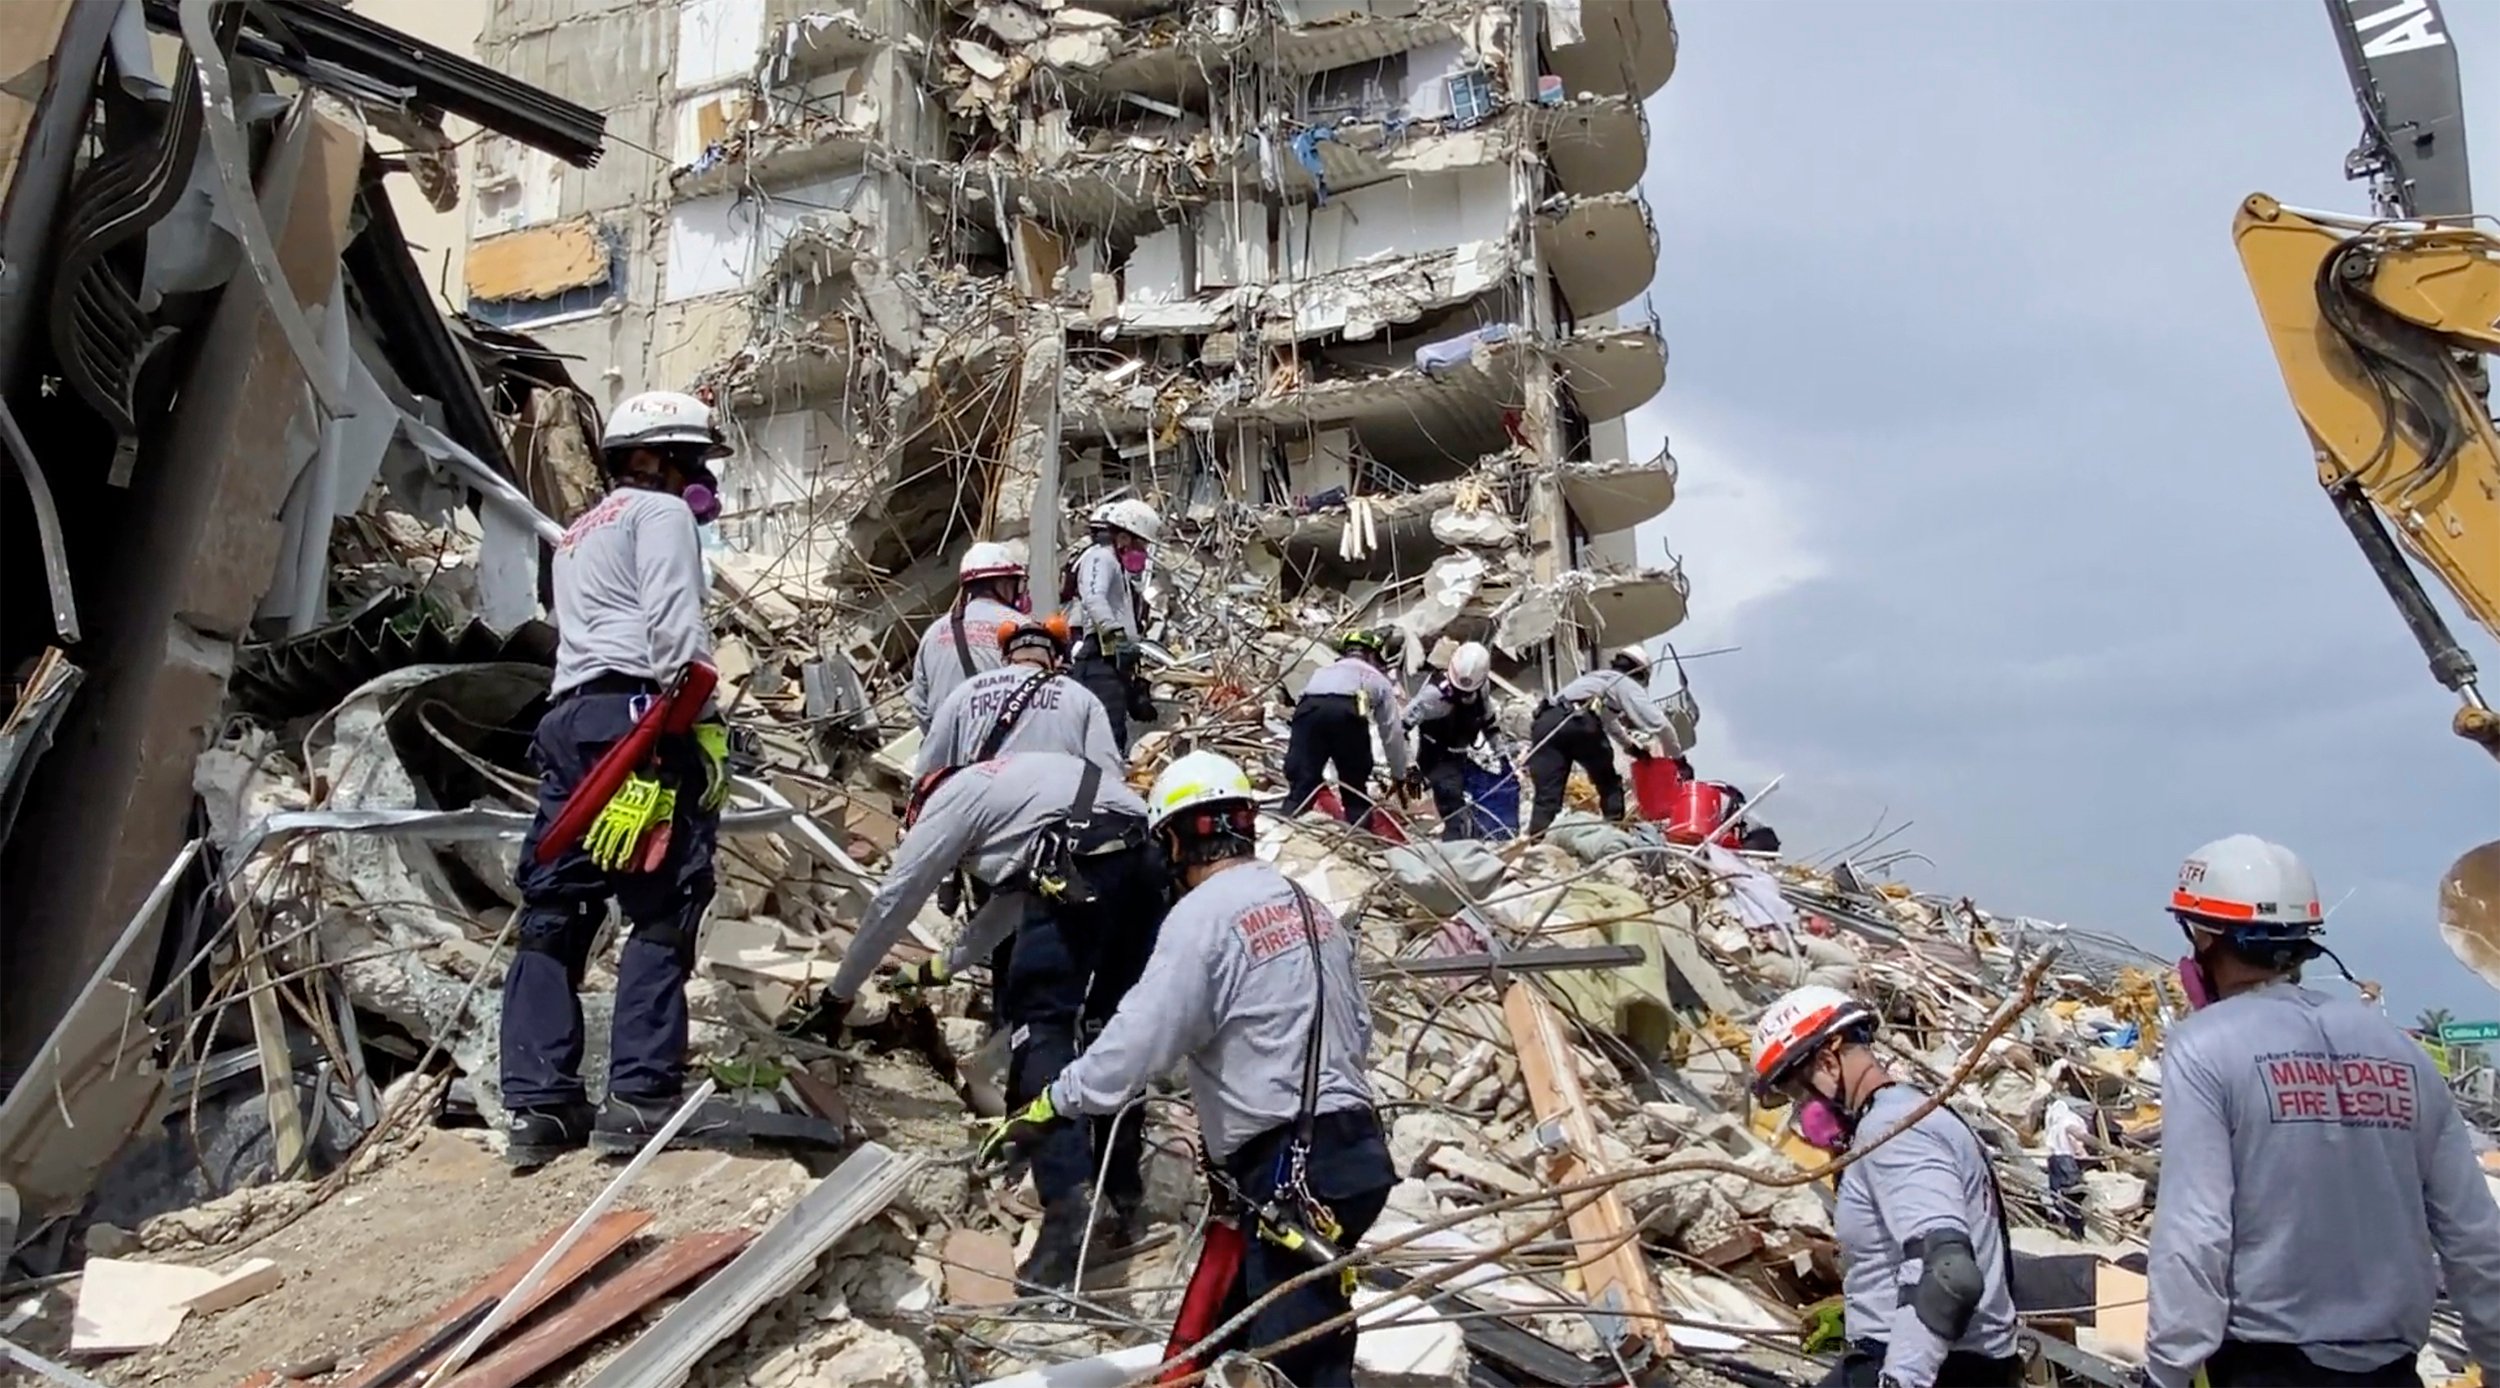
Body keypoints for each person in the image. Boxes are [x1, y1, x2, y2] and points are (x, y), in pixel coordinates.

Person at [981, 752, 1393, 1388]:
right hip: (1355, 1155)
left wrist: (1054, 1104)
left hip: (1290, 1171)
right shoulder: (1312, 911)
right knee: (1230, 1336)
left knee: (1294, 1369)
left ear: (1173, 839)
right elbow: (1357, 1030)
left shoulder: (1202, 917)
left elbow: (1137, 1043)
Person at [2143, 835, 2500, 1388]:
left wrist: (2166, 1372)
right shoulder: (2398, 1050)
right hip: (2392, 1370)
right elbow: (2474, 1234)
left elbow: (2196, 1230)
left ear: (2205, 935)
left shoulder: (2204, 1047)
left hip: (2266, 1367)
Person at [811, 752, 1166, 1290]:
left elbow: (893, 901)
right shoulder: (1022, 793)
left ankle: (1067, 1206)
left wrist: (838, 994)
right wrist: (930, 972)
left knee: (1039, 1021)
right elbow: (1004, 914)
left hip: (1083, 858)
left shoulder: (951, 802)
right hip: (1141, 857)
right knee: (1112, 1023)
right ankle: (1121, 1184)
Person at [502, 390, 738, 1169]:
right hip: (639, 711)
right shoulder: (660, 513)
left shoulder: (576, 532)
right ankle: (639, 1097)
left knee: (554, 907)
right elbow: (675, 621)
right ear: (658, 457)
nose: (702, 478)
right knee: (664, 900)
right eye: (696, 459)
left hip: (569, 718)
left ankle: (539, 1105)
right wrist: (690, 717)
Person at [1751, 985, 2021, 1388]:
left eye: (1796, 1093)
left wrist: (1901, 1379)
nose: (1799, 1114)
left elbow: (1949, 1274)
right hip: (1952, 1360)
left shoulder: (1893, 1134)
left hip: (1938, 1369)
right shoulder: (1910, 1111)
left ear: (1827, 1062)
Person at [918, 615, 1124, 780]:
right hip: (1052, 817)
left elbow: (928, 769)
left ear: (1007, 657)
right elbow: (1107, 774)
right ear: (1057, 658)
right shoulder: (1081, 698)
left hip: (979, 815)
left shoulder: (964, 693)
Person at [1526, 645, 1676, 835]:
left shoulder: (1595, 679)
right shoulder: (1625, 682)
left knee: (1547, 797)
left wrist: (1631, 747)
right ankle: (1616, 833)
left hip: (1547, 721)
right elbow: (1661, 724)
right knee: (1609, 783)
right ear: (1639, 675)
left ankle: (1535, 846)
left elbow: (1608, 720)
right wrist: (1677, 758)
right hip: (1580, 723)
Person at [1284, 630, 1411, 832]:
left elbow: (1300, 708)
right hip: (1346, 714)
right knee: (1354, 787)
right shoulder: (1377, 679)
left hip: (1308, 711)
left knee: (1303, 782)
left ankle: (1287, 825)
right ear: (1372, 654)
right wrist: (1399, 773)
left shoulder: (1323, 672)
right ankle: (1361, 838)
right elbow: (1391, 732)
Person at [1067, 498, 1160, 752]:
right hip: (1099, 660)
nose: (1143, 550)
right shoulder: (1100, 558)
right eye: (1141, 543)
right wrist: (1116, 638)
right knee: (1105, 738)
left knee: (1114, 733)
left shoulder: (1118, 568)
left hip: (1111, 663)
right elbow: (1094, 598)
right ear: (1124, 537)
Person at [908, 541, 1028, 733]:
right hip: (1006, 750)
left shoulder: (933, 633)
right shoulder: (1022, 627)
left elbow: (920, 705)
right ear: (1003, 583)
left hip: (950, 751)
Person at [1402, 641, 1498, 841]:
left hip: (1461, 753)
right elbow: (1400, 728)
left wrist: (1502, 754)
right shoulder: (1433, 697)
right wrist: (1410, 766)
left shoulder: (1481, 689)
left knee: (1480, 795)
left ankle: (1472, 835)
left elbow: (1489, 720)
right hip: (1436, 756)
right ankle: (1455, 849)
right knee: (1452, 803)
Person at [2041, 1096, 2091, 1240]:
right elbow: (2077, 1141)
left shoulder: (2054, 1124)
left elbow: (2049, 1145)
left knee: (2058, 1194)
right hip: (2066, 1159)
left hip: (2054, 1160)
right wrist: (2083, 1154)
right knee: (2072, 1196)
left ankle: (2066, 1225)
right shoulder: (2070, 1121)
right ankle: (2077, 1230)